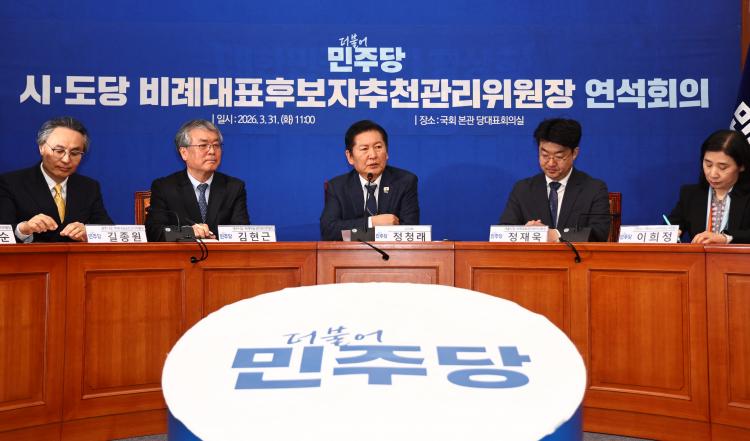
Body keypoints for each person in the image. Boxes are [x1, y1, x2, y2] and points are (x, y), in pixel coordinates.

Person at [0, 116, 112, 242]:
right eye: (59, 151)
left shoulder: (89, 187)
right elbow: (3, 231)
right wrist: (24, 229)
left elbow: (109, 232)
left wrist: (90, 233)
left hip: (75, 255)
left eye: (75, 153)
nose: (66, 160)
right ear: (42, 147)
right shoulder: (11, 183)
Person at [499, 118, 610, 242]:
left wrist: (555, 235)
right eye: (545, 155)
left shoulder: (593, 189)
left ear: (574, 153)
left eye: (559, 156)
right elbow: (503, 231)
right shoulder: (523, 189)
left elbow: (599, 233)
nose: (551, 163)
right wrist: (524, 231)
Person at [145, 119, 250, 241]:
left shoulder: (234, 187)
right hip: (181, 253)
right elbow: (154, 232)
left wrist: (213, 237)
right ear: (184, 153)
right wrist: (187, 233)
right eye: (203, 145)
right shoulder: (165, 187)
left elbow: (242, 232)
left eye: (216, 145)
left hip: (220, 253)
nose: (212, 151)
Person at [320, 120, 419, 241]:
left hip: (393, 252)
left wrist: (358, 233)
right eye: (364, 149)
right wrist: (372, 222)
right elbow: (329, 231)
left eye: (378, 147)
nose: (373, 155)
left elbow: (411, 230)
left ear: (387, 152)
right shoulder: (337, 187)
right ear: (350, 157)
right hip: (351, 253)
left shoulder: (405, 181)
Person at [668, 129, 750, 244]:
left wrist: (726, 238)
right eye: (708, 164)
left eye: (722, 167)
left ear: (742, 166)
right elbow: (669, 227)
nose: (713, 174)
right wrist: (671, 234)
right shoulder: (690, 195)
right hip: (699, 256)